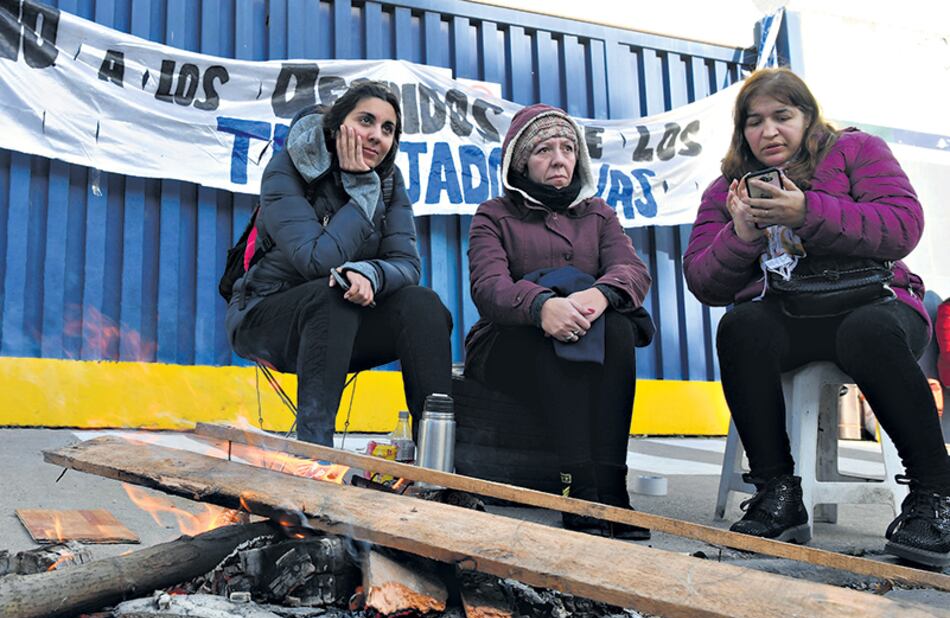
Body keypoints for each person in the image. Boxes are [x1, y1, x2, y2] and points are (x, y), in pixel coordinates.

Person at [684, 67, 950, 567]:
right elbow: (702, 280)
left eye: (783, 116)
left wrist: (807, 212)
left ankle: (936, 497)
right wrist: (739, 237)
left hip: (877, 304)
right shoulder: (727, 190)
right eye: (755, 121)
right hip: (792, 313)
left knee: (866, 332)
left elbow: (902, 225)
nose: (769, 132)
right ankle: (777, 494)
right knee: (741, 326)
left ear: (808, 118)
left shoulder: (857, 151)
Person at [226, 81, 453, 446]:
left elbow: (407, 265)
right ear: (336, 125)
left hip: (343, 325)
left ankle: (437, 460)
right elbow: (315, 260)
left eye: (388, 129)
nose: (377, 136)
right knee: (331, 294)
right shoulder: (288, 171)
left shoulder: (390, 182)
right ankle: (317, 456)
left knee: (423, 304)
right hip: (266, 319)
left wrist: (370, 273)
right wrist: (362, 191)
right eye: (366, 120)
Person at [465, 103, 654, 540]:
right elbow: (488, 287)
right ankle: (577, 486)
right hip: (507, 344)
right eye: (544, 149)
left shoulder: (598, 214)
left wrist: (599, 295)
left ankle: (612, 485)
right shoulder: (494, 215)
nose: (559, 158)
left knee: (619, 328)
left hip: (587, 328)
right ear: (521, 161)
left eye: (568, 148)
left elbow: (632, 271)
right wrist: (541, 306)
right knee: (555, 340)